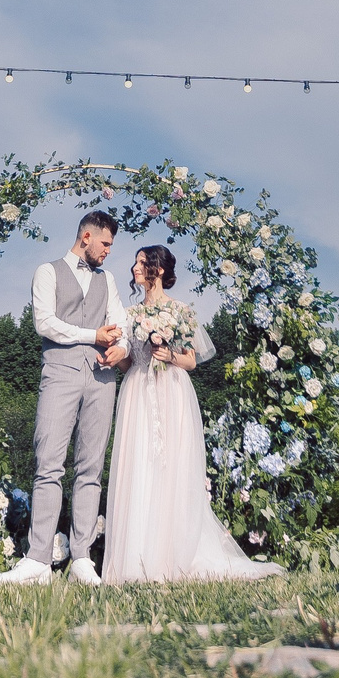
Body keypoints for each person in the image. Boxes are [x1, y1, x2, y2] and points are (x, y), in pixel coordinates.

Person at [99, 245, 285, 584]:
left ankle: (174, 555)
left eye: (142, 262)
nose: (135, 267)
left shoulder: (181, 311)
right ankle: (136, 560)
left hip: (172, 391)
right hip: (138, 390)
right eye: (137, 261)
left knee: (173, 468)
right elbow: (128, 362)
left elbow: (191, 360)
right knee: (139, 466)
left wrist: (167, 353)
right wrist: (117, 356)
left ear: (158, 269)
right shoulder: (128, 314)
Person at [0, 211, 129, 585]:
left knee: (90, 469)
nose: (107, 252)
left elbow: (120, 323)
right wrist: (93, 336)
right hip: (60, 375)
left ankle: (82, 559)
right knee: (49, 464)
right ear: (86, 236)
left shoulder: (109, 280)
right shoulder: (48, 272)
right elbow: (45, 322)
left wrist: (122, 348)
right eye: (104, 244)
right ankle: (38, 560)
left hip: (102, 380)